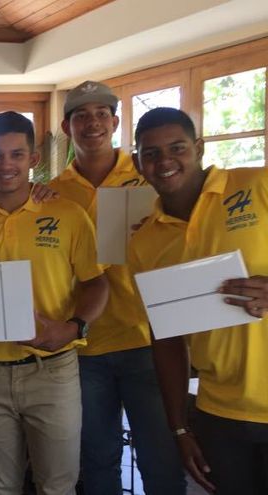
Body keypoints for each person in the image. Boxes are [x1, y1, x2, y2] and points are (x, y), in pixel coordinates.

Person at [0, 111, 109, 495]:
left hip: (53, 371)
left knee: (58, 486)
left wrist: (73, 327)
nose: (6, 165)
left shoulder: (67, 214)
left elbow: (96, 283)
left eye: (16, 154)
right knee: (2, 487)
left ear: (33, 158)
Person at [49, 81, 185, 494]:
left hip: (148, 339)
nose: (93, 123)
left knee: (161, 457)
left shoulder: (152, 177)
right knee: (97, 459)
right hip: (84, 346)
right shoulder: (52, 192)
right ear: (67, 127)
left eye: (101, 114)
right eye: (81, 116)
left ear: (115, 122)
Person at [128, 107, 268, 495]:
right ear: (138, 163)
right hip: (219, 414)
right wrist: (179, 427)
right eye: (151, 153)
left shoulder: (256, 185)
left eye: (177, 148)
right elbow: (168, 342)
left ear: (200, 148)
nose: (165, 161)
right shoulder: (145, 242)